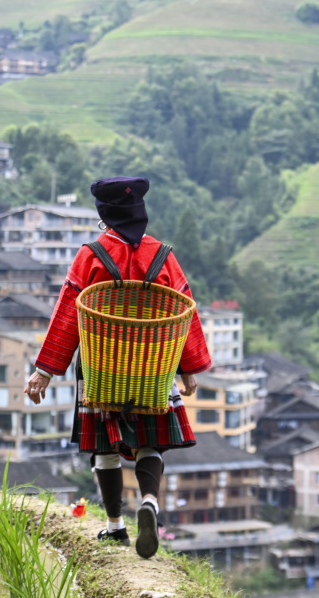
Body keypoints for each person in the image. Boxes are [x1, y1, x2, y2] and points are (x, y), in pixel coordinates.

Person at [24, 176, 212, 559]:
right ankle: (149, 501)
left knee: (104, 448)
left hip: (101, 368)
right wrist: (187, 367)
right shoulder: (163, 255)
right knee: (150, 440)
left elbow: (67, 315)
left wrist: (44, 369)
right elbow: (184, 311)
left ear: (103, 215)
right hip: (154, 368)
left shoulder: (90, 255)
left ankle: (115, 527)